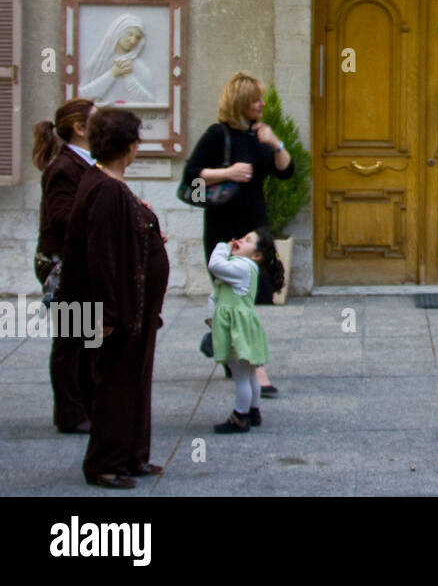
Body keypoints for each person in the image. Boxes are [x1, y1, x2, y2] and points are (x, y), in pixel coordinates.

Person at [59, 108, 169, 488]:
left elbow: (120, 237)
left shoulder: (107, 182)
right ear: (129, 146)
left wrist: (147, 234)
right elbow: (100, 256)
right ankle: (105, 463)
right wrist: (105, 317)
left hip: (132, 311)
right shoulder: (104, 188)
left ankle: (132, 456)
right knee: (114, 386)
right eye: (137, 139)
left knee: (132, 383)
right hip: (116, 313)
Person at [182, 72, 293, 396]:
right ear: (241, 103)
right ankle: (256, 369)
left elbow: (287, 172)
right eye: (255, 99)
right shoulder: (217, 135)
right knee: (238, 299)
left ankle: (217, 336)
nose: (261, 103)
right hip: (225, 229)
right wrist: (227, 173)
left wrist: (276, 144)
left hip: (255, 228)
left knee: (251, 296)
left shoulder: (260, 135)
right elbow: (191, 175)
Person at [33, 98, 97, 434]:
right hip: (62, 264)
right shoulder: (64, 167)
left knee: (86, 338)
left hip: (77, 261)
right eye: (96, 121)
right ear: (80, 128)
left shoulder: (85, 162)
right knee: (71, 340)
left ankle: (84, 407)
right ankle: (70, 414)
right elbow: (59, 218)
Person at [209, 229, 280, 433]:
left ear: (256, 255)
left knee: (240, 377)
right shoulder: (245, 266)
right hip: (244, 328)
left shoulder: (241, 267)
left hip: (236, 332)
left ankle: (240, 417)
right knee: (249, 376)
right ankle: (253, 410)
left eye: (247, 240)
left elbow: (215, 265)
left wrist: (223, 246)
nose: (239, 240)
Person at [78, 14, 156, 104]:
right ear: (118, 32)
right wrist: (112, 74)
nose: (133, 41)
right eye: (129, 34)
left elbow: (150, 101)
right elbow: (81, 95)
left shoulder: (139, 67)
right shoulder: (97, 63)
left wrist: (129, 77)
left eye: (137, 37)